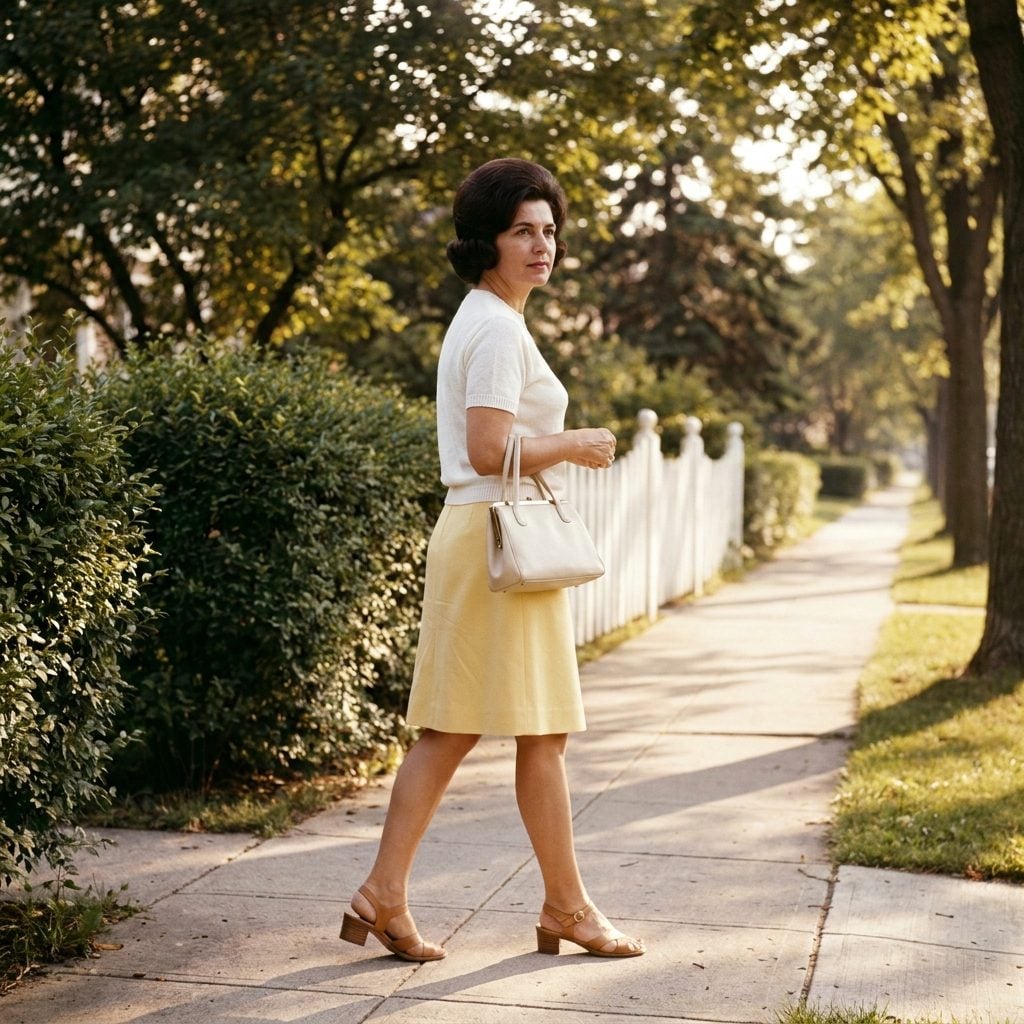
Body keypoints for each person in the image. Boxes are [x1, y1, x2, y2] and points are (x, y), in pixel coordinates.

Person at [340, 158, 644, 962]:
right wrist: (573, 445)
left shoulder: (484, 316)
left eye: (549, 231)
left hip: (481, 537)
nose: (542, 247)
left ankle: (386, 895)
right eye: (522, 232)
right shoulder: (497, 327)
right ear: (488, 241)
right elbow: (486, 447)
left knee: (457, 729)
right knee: (530, 732)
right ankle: (566, 908)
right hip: (498, 541)